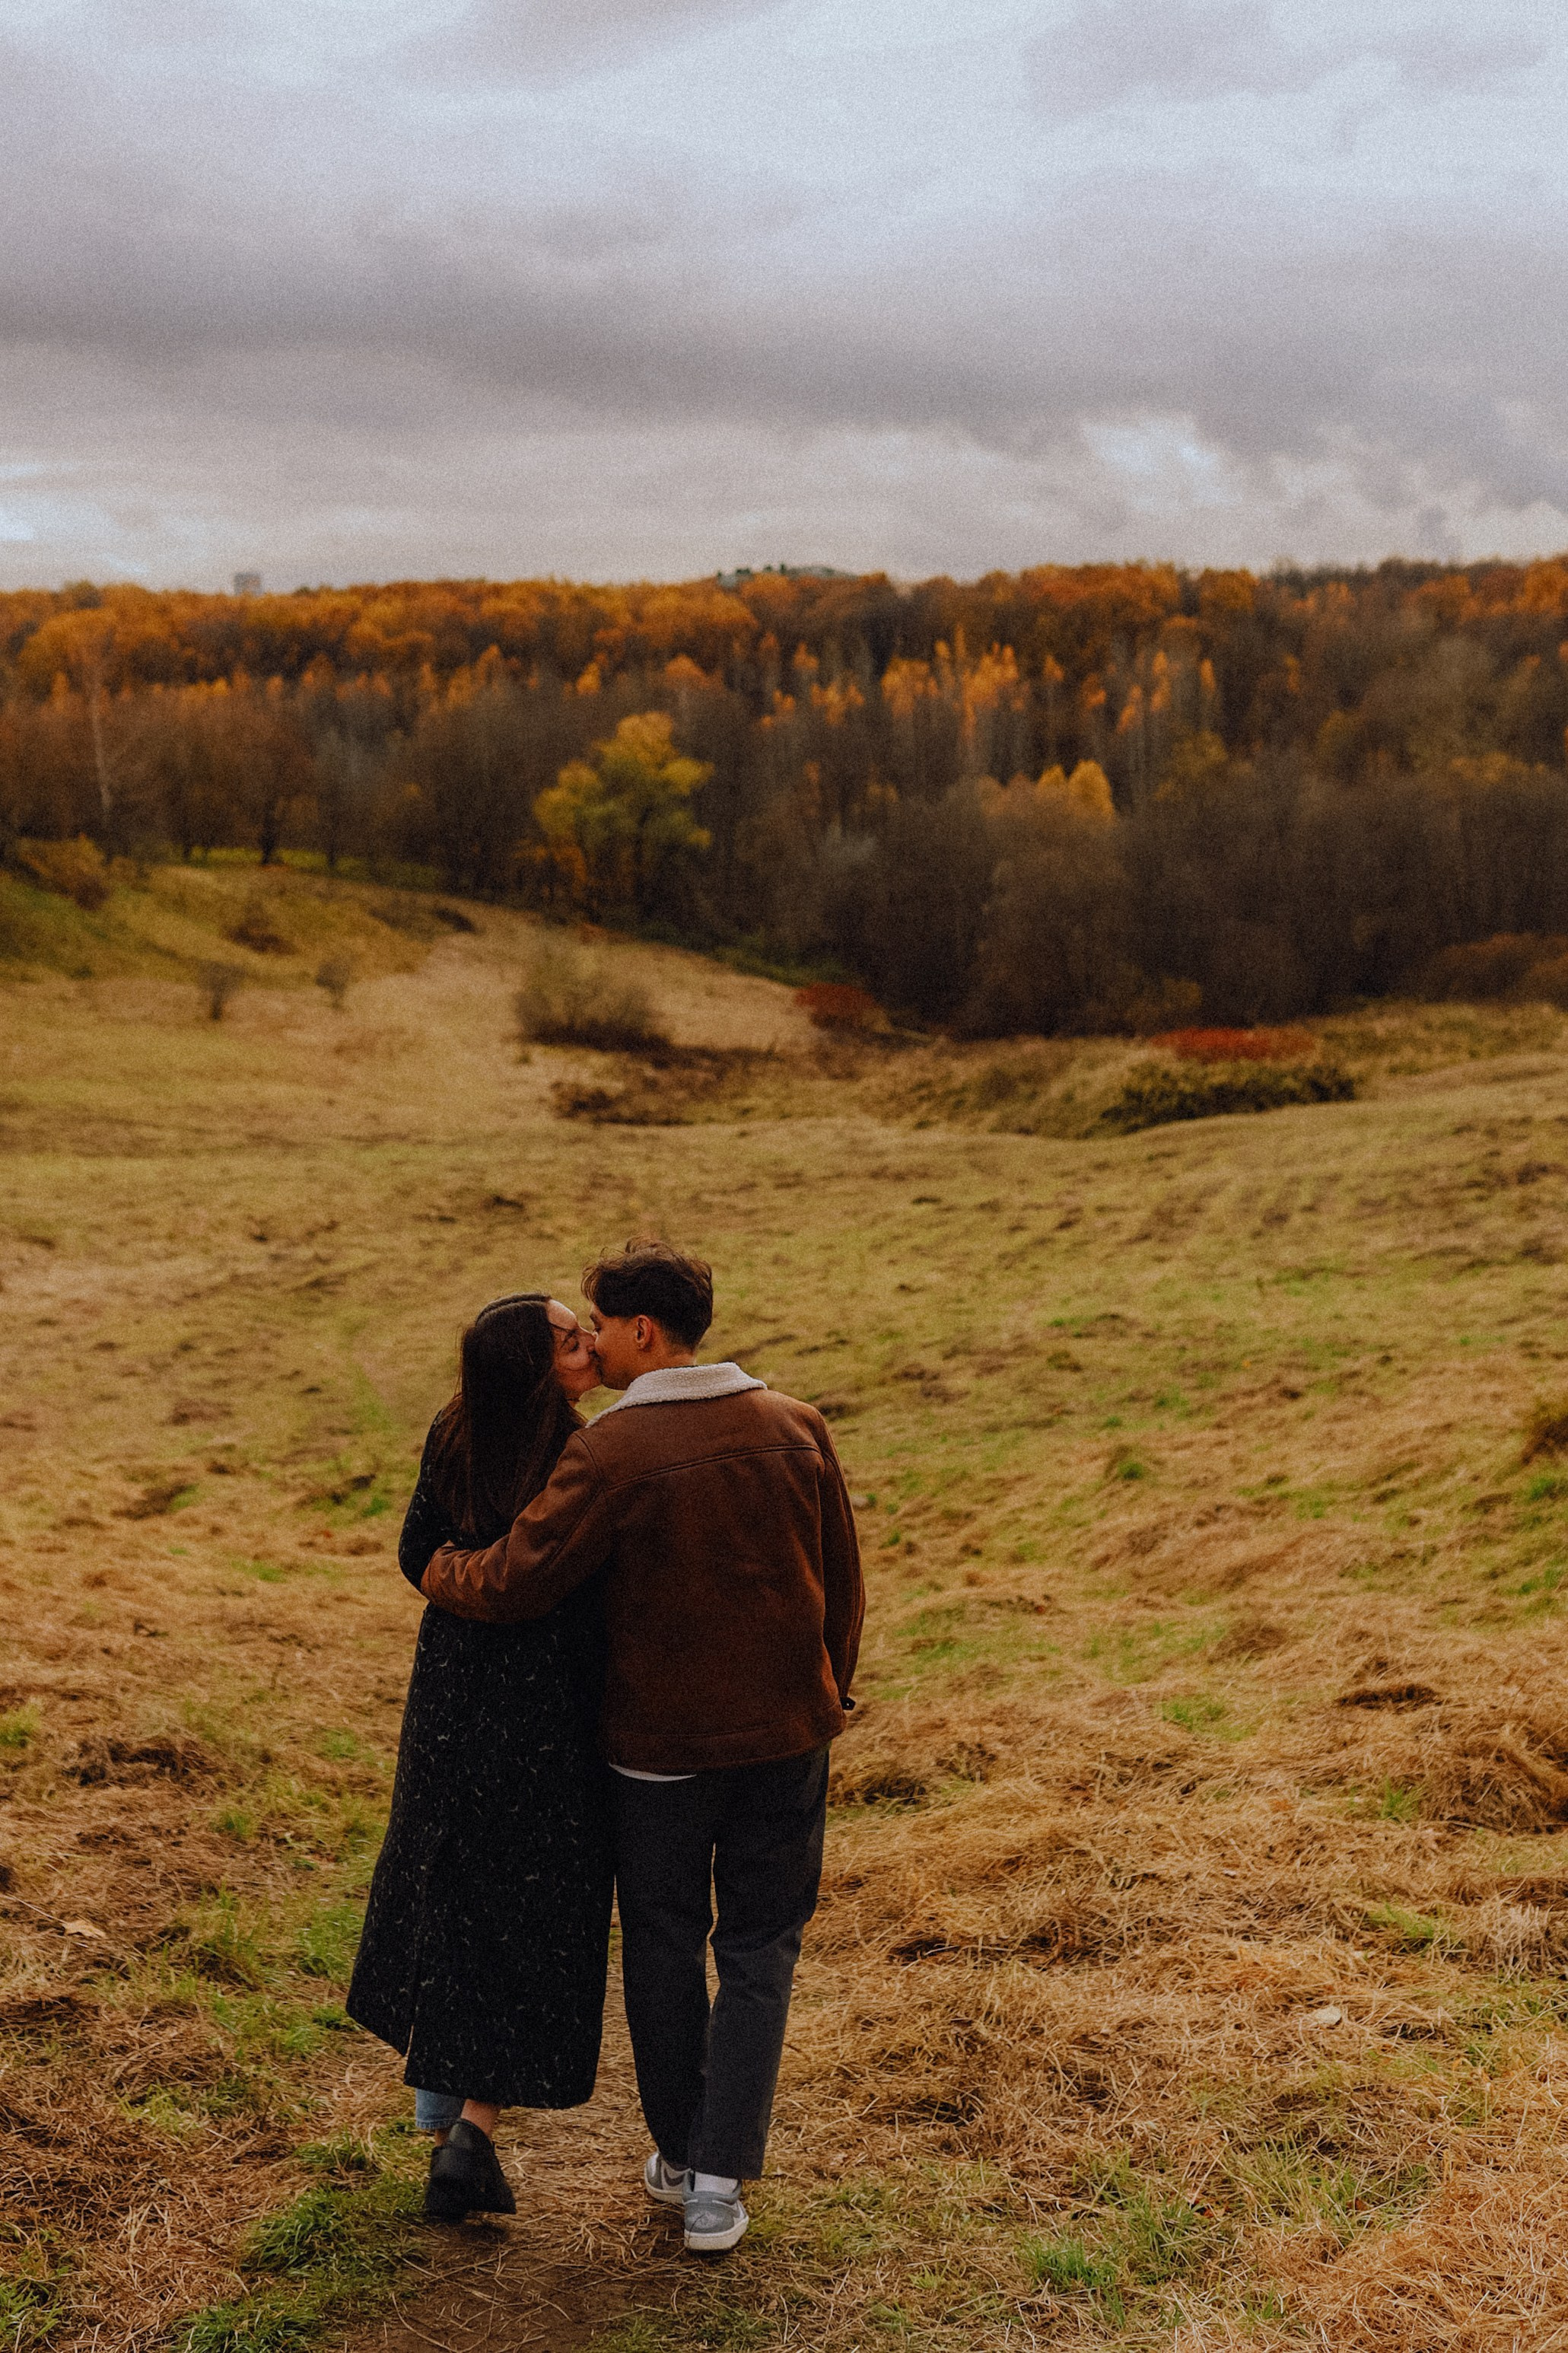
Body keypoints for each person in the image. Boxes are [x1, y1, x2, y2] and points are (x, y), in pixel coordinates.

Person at [417, 1240, 864, 2255]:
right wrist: (828, 1688)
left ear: (644, 1330)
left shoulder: (610, 1451)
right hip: (788, 1737)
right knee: (760, 1948)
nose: (594, 1345)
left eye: (602, 1328)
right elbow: (841, 1579)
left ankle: (680, 2151)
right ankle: (716, 2183)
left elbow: (515, 1579)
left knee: (664, 1943)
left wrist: (439, 1569)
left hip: (657, 1756)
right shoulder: (798, 1426)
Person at [346, 1293, 612, 2224]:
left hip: (450, 1691)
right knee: (525, 1910)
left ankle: (449, 2132)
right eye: (571, 1341)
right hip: (544, 1703)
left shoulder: (454, 1429)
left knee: (451, 1888)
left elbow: (416, 1550)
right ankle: (470, 2131)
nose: (591, 1345)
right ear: (535, 1371)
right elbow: (575, 1585)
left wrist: (458, 1582)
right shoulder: (578, 1453)